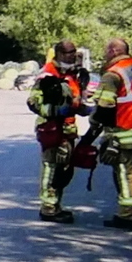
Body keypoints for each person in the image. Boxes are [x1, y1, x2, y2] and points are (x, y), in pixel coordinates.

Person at [27, 40, 90, 224]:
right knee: (51, 167)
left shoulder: (71, 73)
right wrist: (56, 111)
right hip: (52, 129)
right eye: (70, 52)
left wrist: (82, 107)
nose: (73, 56)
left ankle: (56, 205)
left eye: (74, 52)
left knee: (64, 169)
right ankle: (48, 208)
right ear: (60, 54)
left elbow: (73, 99)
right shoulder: (48, 74)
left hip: (68, 128)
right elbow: (33, 102)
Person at [86, 38, 132, 229]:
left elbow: (105, 107)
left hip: (124, 133)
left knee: (127, 175)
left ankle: (127, 217)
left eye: (106, 51)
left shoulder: (113, 74)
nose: (105, 54)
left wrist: (94, 124)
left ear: (113, 51)